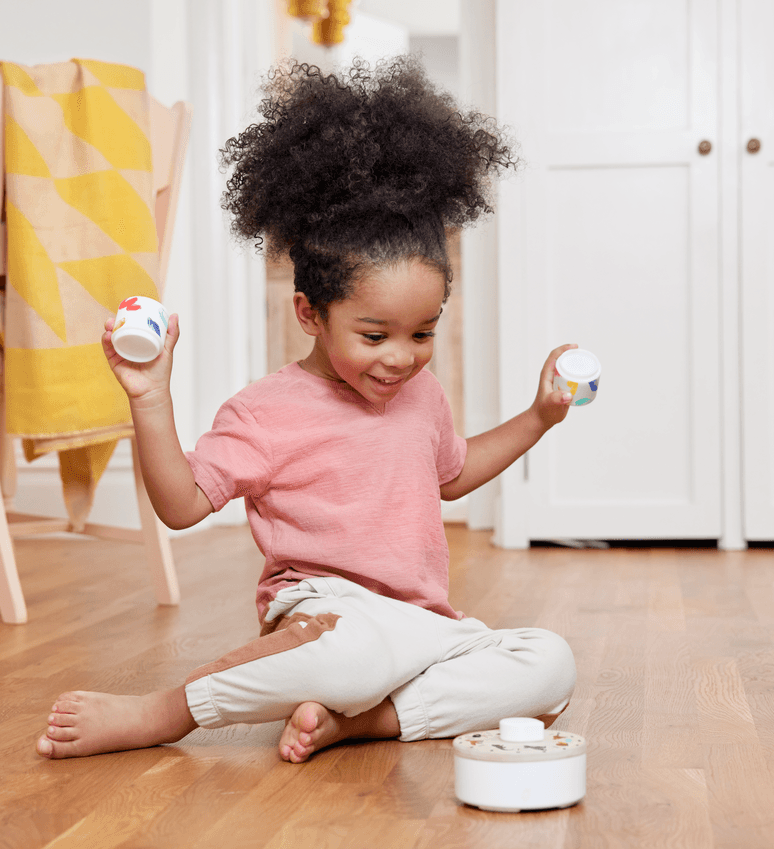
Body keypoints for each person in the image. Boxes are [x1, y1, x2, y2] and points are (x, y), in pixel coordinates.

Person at [36, 56, 578, 762]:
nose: (402, 358)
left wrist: (538, 416)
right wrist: (150, 399)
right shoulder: (266, 411)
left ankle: (359, 723)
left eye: (424, 332)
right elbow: (181, 505)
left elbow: (450, 473)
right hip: (328, 617)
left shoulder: (420, 393)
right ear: (310, 314)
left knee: (550, 663)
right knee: (349, 659)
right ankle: (167, 711)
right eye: (375, 335)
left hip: (422, 624)